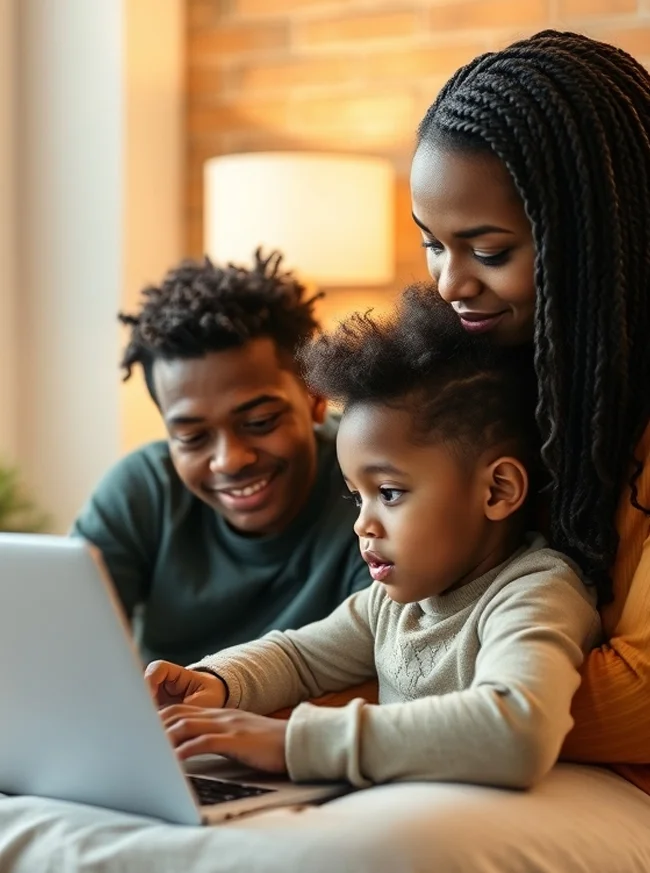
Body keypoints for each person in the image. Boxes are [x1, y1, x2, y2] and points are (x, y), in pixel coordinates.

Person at [145, 287, 600, 791]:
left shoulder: (536, 593)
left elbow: (517, 730)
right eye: (355, 497)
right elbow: (298, 658)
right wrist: (216, 682)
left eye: (388, 492)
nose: (363, 523)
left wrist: (289, 741)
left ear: (497, 489)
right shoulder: (389, 604)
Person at [72, 250, 369, 665]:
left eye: (260, 421)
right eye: (192, 437)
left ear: (314, 397)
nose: (229, 460)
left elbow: (389, 670)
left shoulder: (374, 483)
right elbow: (65, 647)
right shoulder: (142, 493)